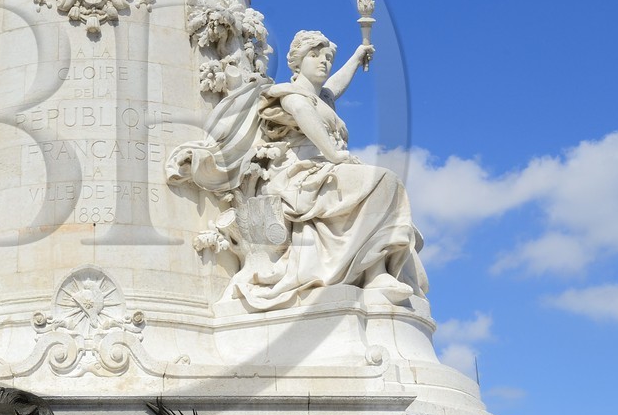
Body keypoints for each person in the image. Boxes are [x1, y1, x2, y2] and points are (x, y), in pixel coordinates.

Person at [167, 30, 428, 312]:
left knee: (384, 187)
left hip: (321, 169)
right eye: (314, 55)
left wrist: (356, 57)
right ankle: (375, 273)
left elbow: (334, 87)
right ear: (297, 62)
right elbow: (305, 116)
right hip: (296, 174)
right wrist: (334, 154)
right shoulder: (291, 95)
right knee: (382, 181)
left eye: (327, 57)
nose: (323, 62)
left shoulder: (322, 98)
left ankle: (377, 273)